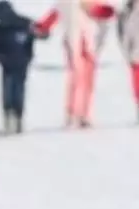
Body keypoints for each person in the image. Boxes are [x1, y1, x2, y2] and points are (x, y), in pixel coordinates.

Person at [36, 0, 116, 128]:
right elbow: (56, 13)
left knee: (86, 79)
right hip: (74, 41)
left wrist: (104, 11)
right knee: (78, 77)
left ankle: (83, 114)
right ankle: (74, 113)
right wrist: (42, 26)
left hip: (89, 41)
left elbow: (105, 12)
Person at [0, 1, 41, 135]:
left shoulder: (5, 27)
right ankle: (15, 120)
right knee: (17, 90)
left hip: (13, 64)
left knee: (11, 91)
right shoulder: (21, 24)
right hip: (15, 64)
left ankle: (12, 121)